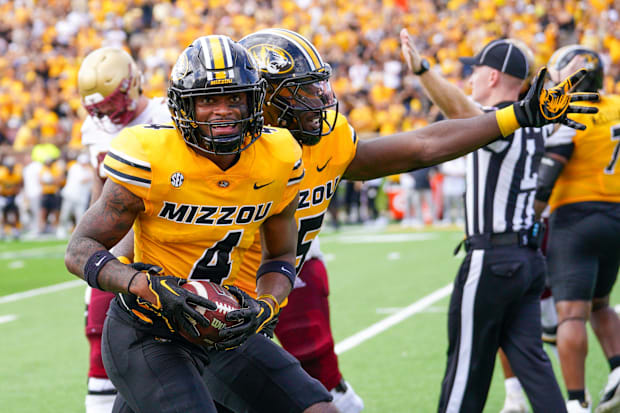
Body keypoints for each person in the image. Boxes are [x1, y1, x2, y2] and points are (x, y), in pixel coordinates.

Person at [64, 31, 591, 413]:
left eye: (319, 88)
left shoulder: (290, 154)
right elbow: (109, 235)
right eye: (302, 90)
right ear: (265, 102)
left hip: (241, 314)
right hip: (170, 316)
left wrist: (517, 116)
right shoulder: (175, 151)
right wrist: (143, 282)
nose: (321, 101)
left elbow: (420, 146)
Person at [66, 34, 336, 413]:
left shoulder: (279, 157)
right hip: (148, 329)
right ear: (183, 106)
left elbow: (280, 256)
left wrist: (265, 306)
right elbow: (80, 249)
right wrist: (145, 285)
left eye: (233, 98)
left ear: (253, 101)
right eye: (207, 100)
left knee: (318, 409)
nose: (221, 111)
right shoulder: (151, 155)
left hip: (222, 328)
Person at [400, 30, 598, 413]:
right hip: (528, 262)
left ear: (492, 77)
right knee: (534, 367)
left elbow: (462, 112)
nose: (470, 78)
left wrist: (424, 70)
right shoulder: (535, 122)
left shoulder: (497, 122)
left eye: (476, 70)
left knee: (465, 371)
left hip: (493, 259)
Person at [77, 46, 171, 413]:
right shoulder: (93, 128)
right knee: (99, 341)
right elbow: (99, 196)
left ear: (133, 84)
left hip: (163, 249)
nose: (106, 114)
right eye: (97, 107)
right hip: (117, 250)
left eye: (111, 103)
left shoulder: (165, 116)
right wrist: (94, 245)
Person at [534, 45, 620, 413]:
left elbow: (550, 170)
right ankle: (618, 373)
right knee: (601, 302)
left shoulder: (572, 113)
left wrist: (530, 213)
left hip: (576, 218)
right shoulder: (616, 105)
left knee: (571, 313)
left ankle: (575, 402)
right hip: (616, 216)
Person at [56, 153, 93, 238]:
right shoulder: (75, 168)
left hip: (81, 198)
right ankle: (61, 230)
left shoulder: (89, 171)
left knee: (80, 216)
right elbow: (82, 180)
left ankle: (78, 233)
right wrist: (91, 175)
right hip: (70, 195)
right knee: (65, 214)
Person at [0, 155, 23, 239]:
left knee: (15, 213)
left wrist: (17, 194)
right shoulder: (2, 174)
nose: (10, 168)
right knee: (3, 213)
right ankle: (2, 230)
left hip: (13, 196)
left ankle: (15, 229)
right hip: (3, 196)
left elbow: (19, 186)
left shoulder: (16, 174)